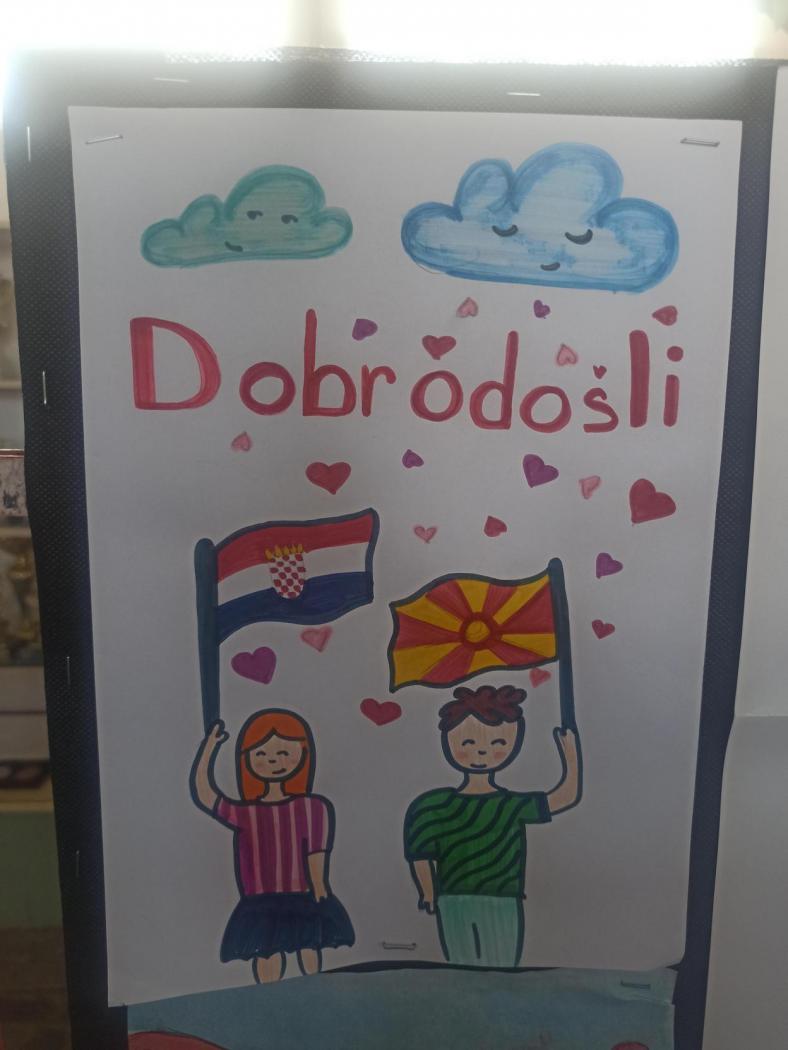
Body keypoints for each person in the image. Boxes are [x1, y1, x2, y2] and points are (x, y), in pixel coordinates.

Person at [403, 683, 581, 968]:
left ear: (514, 744)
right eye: (467, 744)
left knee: (502, 966)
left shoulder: (511, 805)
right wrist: (428, 890)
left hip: (503, 899)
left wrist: (570, 756)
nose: (481, 752)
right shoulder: (434, 806)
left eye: (498, 744)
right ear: (448, 741)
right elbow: (420, 852)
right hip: (454, 898)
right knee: (460, 967)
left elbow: (565, 797)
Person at [191, 708, 354, 983]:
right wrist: (209, 747)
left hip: (302, 897)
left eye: (283, 752)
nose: (273, 760)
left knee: (308, 951)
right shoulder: (246, 813)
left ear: (303, 754)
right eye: (262, 754)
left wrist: (320, 887)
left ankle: (315, 993)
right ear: (246, 760)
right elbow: (207, 795)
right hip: (260, 902)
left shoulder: (313, 807)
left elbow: (316, 851)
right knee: (267, 956)